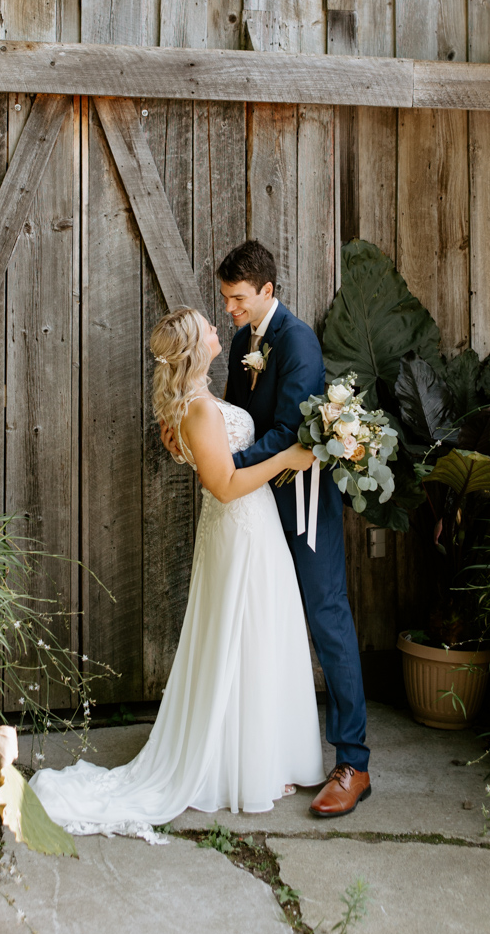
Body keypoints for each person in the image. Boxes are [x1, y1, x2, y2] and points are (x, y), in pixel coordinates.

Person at [29, 306, 324, 842]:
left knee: (254, 638)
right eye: (209, 328)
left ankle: (264, 756)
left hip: (248, 528)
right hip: (239, 527)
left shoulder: (197, 401)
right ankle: (242, 767)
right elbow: (227, 484)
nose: (219, 330)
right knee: (245, 636)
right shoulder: (199, 410)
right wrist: (291, 458)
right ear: (195, 345)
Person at [212, 239, 372, 818]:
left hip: (300, 501)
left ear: (267, 292)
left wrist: (228, 470)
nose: (229, 309)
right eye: (227, 299)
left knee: (327, 617)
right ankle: (271, 752)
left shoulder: (298, 340)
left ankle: (353, 761)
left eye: (238, 299)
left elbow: (289, 433)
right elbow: (234, 414)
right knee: (264, 623)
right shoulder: (238, 341)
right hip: (254, 503)